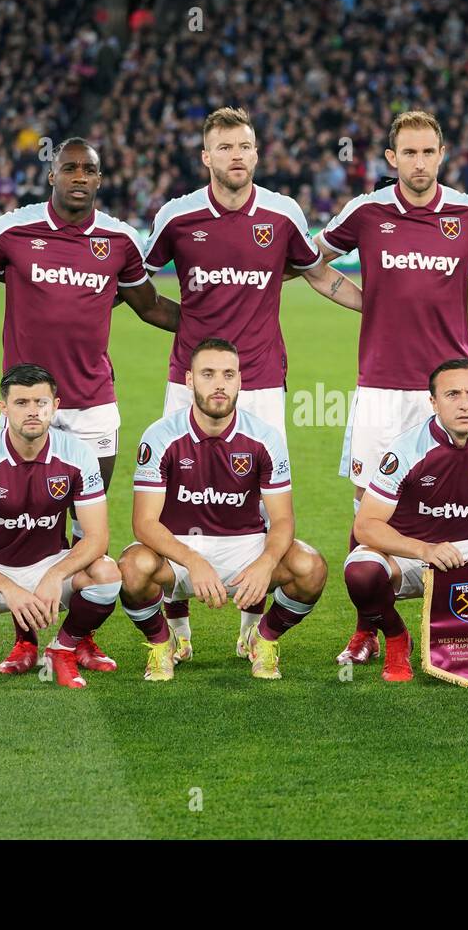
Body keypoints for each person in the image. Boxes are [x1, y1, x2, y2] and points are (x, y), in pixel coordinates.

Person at [0, 137, 178, 675]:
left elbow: (150, 306)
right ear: (52, 176)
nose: (78, 177)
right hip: (27, 402)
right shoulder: (13, 230)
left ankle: (79, 638)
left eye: (88, 170)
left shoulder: (118, 240)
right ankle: (27, 640)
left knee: (85, 528)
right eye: (68, 167)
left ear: (98, 179)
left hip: (93, 405)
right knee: (26, 523)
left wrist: (217, 326)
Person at [141, 106, 359, 658]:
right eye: (226, 147)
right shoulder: (178, 215)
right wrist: (185, 323)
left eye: (245, 146)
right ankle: (179, 634)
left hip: (259, 379)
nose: (237, 156)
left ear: (256, 153)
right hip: (186, 378)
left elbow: (317, 273)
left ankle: (250, 628)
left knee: (261, 503)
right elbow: (136, 284)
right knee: (173, 500)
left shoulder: (282, 213)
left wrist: (378, 307)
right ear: (206, 157)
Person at [316, 109, 468, 666]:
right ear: (391, 159)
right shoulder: (366, 212)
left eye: (427, 152)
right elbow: (309, 263)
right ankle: (371, 627)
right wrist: (365, 301)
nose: (418, 162)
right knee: (367, 513)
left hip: (454, 387)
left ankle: (461, 603)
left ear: (442, 154)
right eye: (407, 153)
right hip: (383, 389)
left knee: (458, 495)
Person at [118, 339, 327, 681]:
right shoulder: (159, 436)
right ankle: (162, 642)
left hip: (244, 547)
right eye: (208, 374)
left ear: (240, 381)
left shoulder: (264, 437)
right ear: (189, 381)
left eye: (228, 374)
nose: (219, 384)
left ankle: (262, 638)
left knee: (311, 567)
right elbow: (144, 523)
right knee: (130, 569)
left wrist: (265, 563)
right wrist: (193, 560)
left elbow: (283, 519)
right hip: (180, 553)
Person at [343, 359, 468, 682]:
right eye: (452, 395)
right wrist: (424, 550)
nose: (464, 404)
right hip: (412, 555)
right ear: (433, 402)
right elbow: (366, 525)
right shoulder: (407, 449)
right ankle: (398, 638)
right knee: (362, 571)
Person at [0, 365, 121, 690]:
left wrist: (54, 574)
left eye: (40, 402)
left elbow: (97, 537)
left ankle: (62, 649)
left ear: (55, 405)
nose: (32, 411)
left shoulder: (77, 454)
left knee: (107, 573)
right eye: (21, 403)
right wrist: (9, 587)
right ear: (3, 408)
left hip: (47, 566)